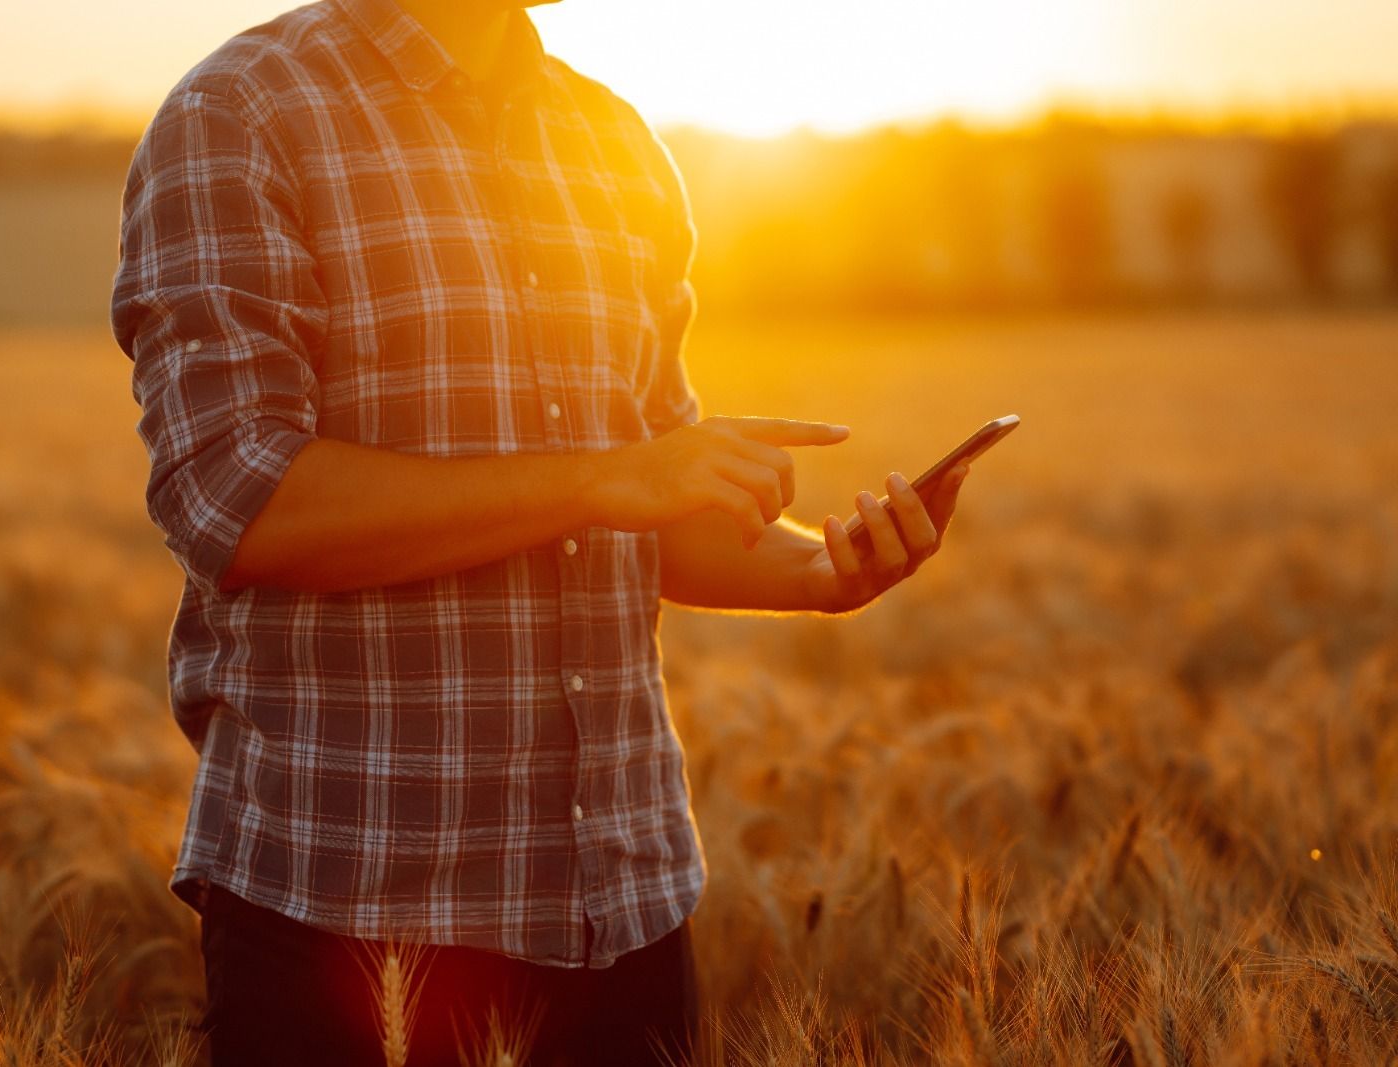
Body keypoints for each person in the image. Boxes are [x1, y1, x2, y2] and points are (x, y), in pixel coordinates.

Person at [110, 0, 969, 1062]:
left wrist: (820, 568)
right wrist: (606, 477)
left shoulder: (612, 141)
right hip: (348, 917)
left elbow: (644, 510)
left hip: (624, 908)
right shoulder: (238, 116)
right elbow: (237, 500)